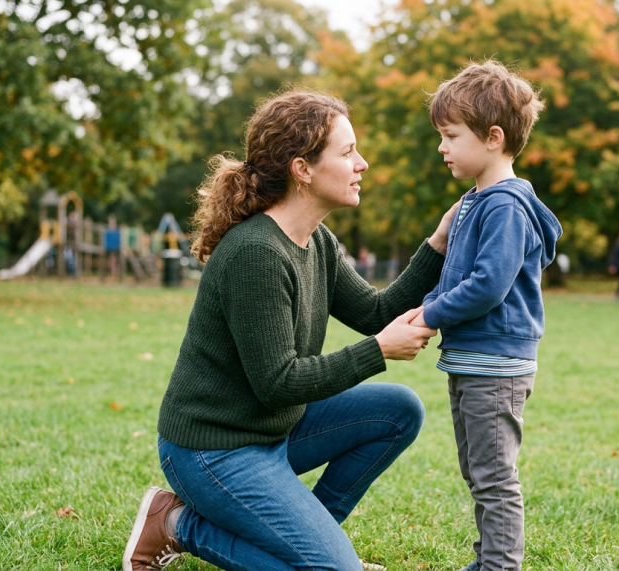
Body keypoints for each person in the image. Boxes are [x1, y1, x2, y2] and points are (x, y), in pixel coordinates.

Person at [122, 90, 460, 571]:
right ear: (303, 168)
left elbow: (376, 310)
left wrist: (438, 242)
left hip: (273, 432)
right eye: (347, 153)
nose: (361, 163)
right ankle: (175, 523)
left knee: (399, 409)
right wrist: (379, 351)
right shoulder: (256, 252)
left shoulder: (316, 240)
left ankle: (313, 547)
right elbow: (277, 382)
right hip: (213, 450)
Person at [411, 60, 562, 571]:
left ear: (493, 137)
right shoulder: (477, 201)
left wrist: (430, 314)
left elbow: (487, 287)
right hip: (472, 361)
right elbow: (459, 273)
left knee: (495, 478)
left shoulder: (505, 206)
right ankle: (487, 561)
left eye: (451, 135)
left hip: (496, 366)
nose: (442, 147)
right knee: (478, 471)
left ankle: (499, 567)